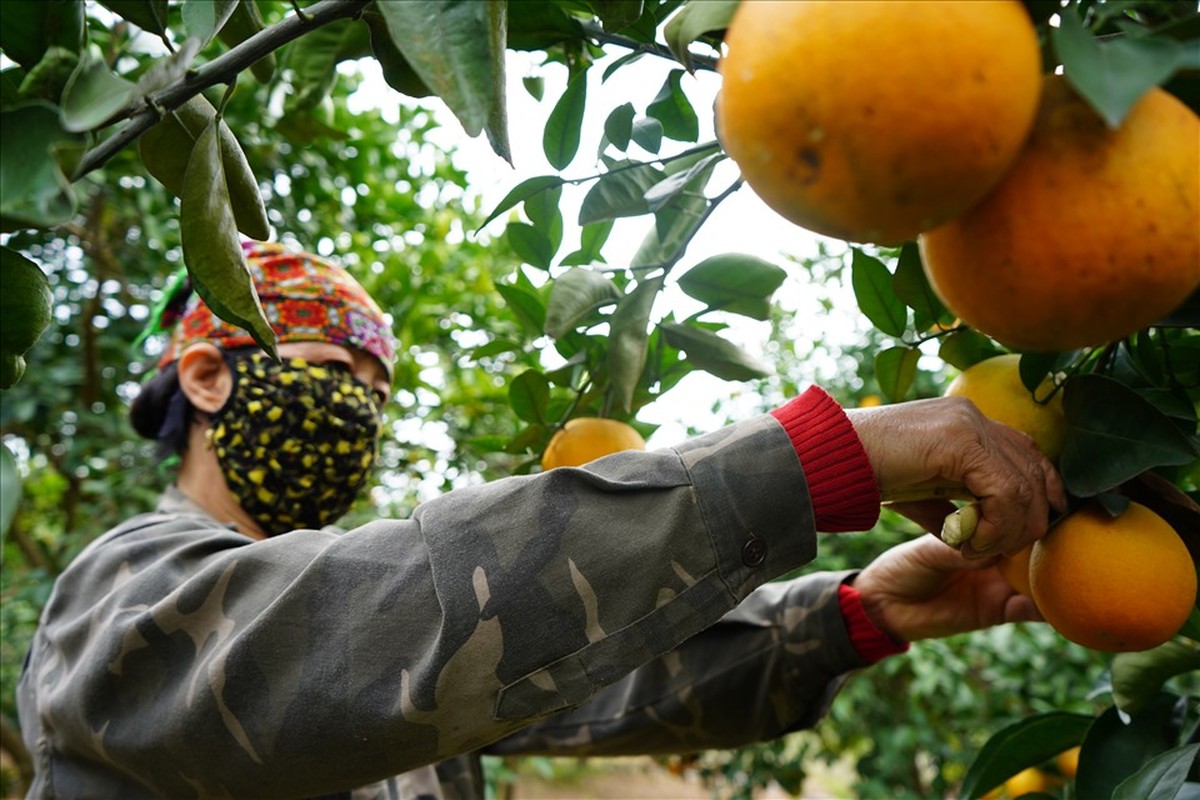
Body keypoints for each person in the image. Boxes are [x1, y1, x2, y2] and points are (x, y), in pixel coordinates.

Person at [16, 243, 1064, 799]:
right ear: (205, 377)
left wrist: (853, 614)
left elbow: (601, 677)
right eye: (337, 375)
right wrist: (807, 462)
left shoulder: (399, 655)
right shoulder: (119, 597)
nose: (362, 419)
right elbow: (375, 623)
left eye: (380, 398)